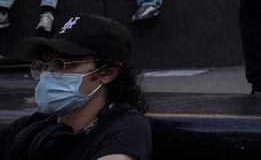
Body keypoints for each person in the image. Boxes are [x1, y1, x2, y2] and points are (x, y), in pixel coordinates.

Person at [0, 13, 151, 160]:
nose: (47, 74)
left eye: (62, 64)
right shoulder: (28, 128)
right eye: (45, 64)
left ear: (108, 72)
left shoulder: (127, 128)